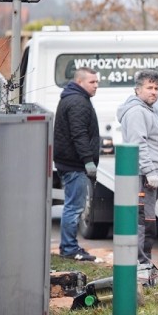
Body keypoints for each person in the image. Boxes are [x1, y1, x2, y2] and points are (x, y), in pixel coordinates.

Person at [117, 69, 158, 285]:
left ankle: (144, 265)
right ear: (137, 89)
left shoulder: (148, 110)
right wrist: (149, 171)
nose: (154, 92)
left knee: (146, 222)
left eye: (156, 88)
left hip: (151, 175)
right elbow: (139, 143)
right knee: (144, 222)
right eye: (149, 87)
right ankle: (141, 268)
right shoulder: (138, 112)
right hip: (144, 177)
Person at [53, 67, 101, 262]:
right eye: (92, 82)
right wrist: (88, 161)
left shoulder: (73, 98)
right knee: (74, 207)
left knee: (72, 206)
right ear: (80, 82)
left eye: (97, 82)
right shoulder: (78, 102)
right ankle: (69, 248)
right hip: (75, 164)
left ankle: (69, 246)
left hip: (70, 162)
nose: (96, 85)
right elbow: (79, 134)